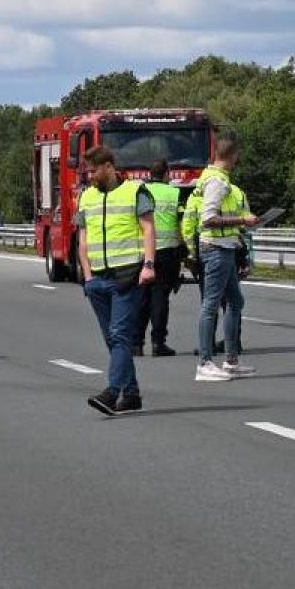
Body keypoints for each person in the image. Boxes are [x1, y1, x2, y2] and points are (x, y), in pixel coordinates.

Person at [76, 144, 157, 416]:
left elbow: (148, 229)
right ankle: (132, 394)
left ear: (109, 167)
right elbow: (83, 238)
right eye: (88, 171)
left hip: (127, 276)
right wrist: (87, 275)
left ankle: (112, 393)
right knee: (113, 341)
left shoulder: (135, 191)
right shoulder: (86, 197)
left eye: (94, 170)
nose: (90, 176)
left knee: (120, 335)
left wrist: (148, 264)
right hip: (97, 279)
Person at [190, 138, 259, 381]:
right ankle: (205, 362)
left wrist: (241, 220)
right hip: (216, 248)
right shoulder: (217, 182)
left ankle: (231, 360)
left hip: (226, 247)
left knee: (235, 302)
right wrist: (242, 221)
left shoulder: (216, 179)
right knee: (211, 304)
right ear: (233, 155)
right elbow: (208, 218)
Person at [133, 158, 182, 357]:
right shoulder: (174, 192)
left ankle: (136, 344)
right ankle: (158, 342)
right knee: (160, 298)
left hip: (144, 251)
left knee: (142, 299)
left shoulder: (140, 192)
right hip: (167, 252)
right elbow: (181, 223)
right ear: (166, 173)